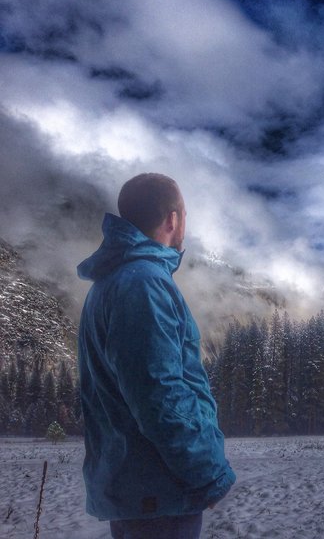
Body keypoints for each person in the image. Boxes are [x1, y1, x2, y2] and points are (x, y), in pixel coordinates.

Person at [77, 173, 235, 539]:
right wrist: (209, 474)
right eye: (185, 217)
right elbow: (160, 396)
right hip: (160, 492)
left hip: (140, 489)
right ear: (173, 220)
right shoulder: (144, 283)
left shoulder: (113, 281)